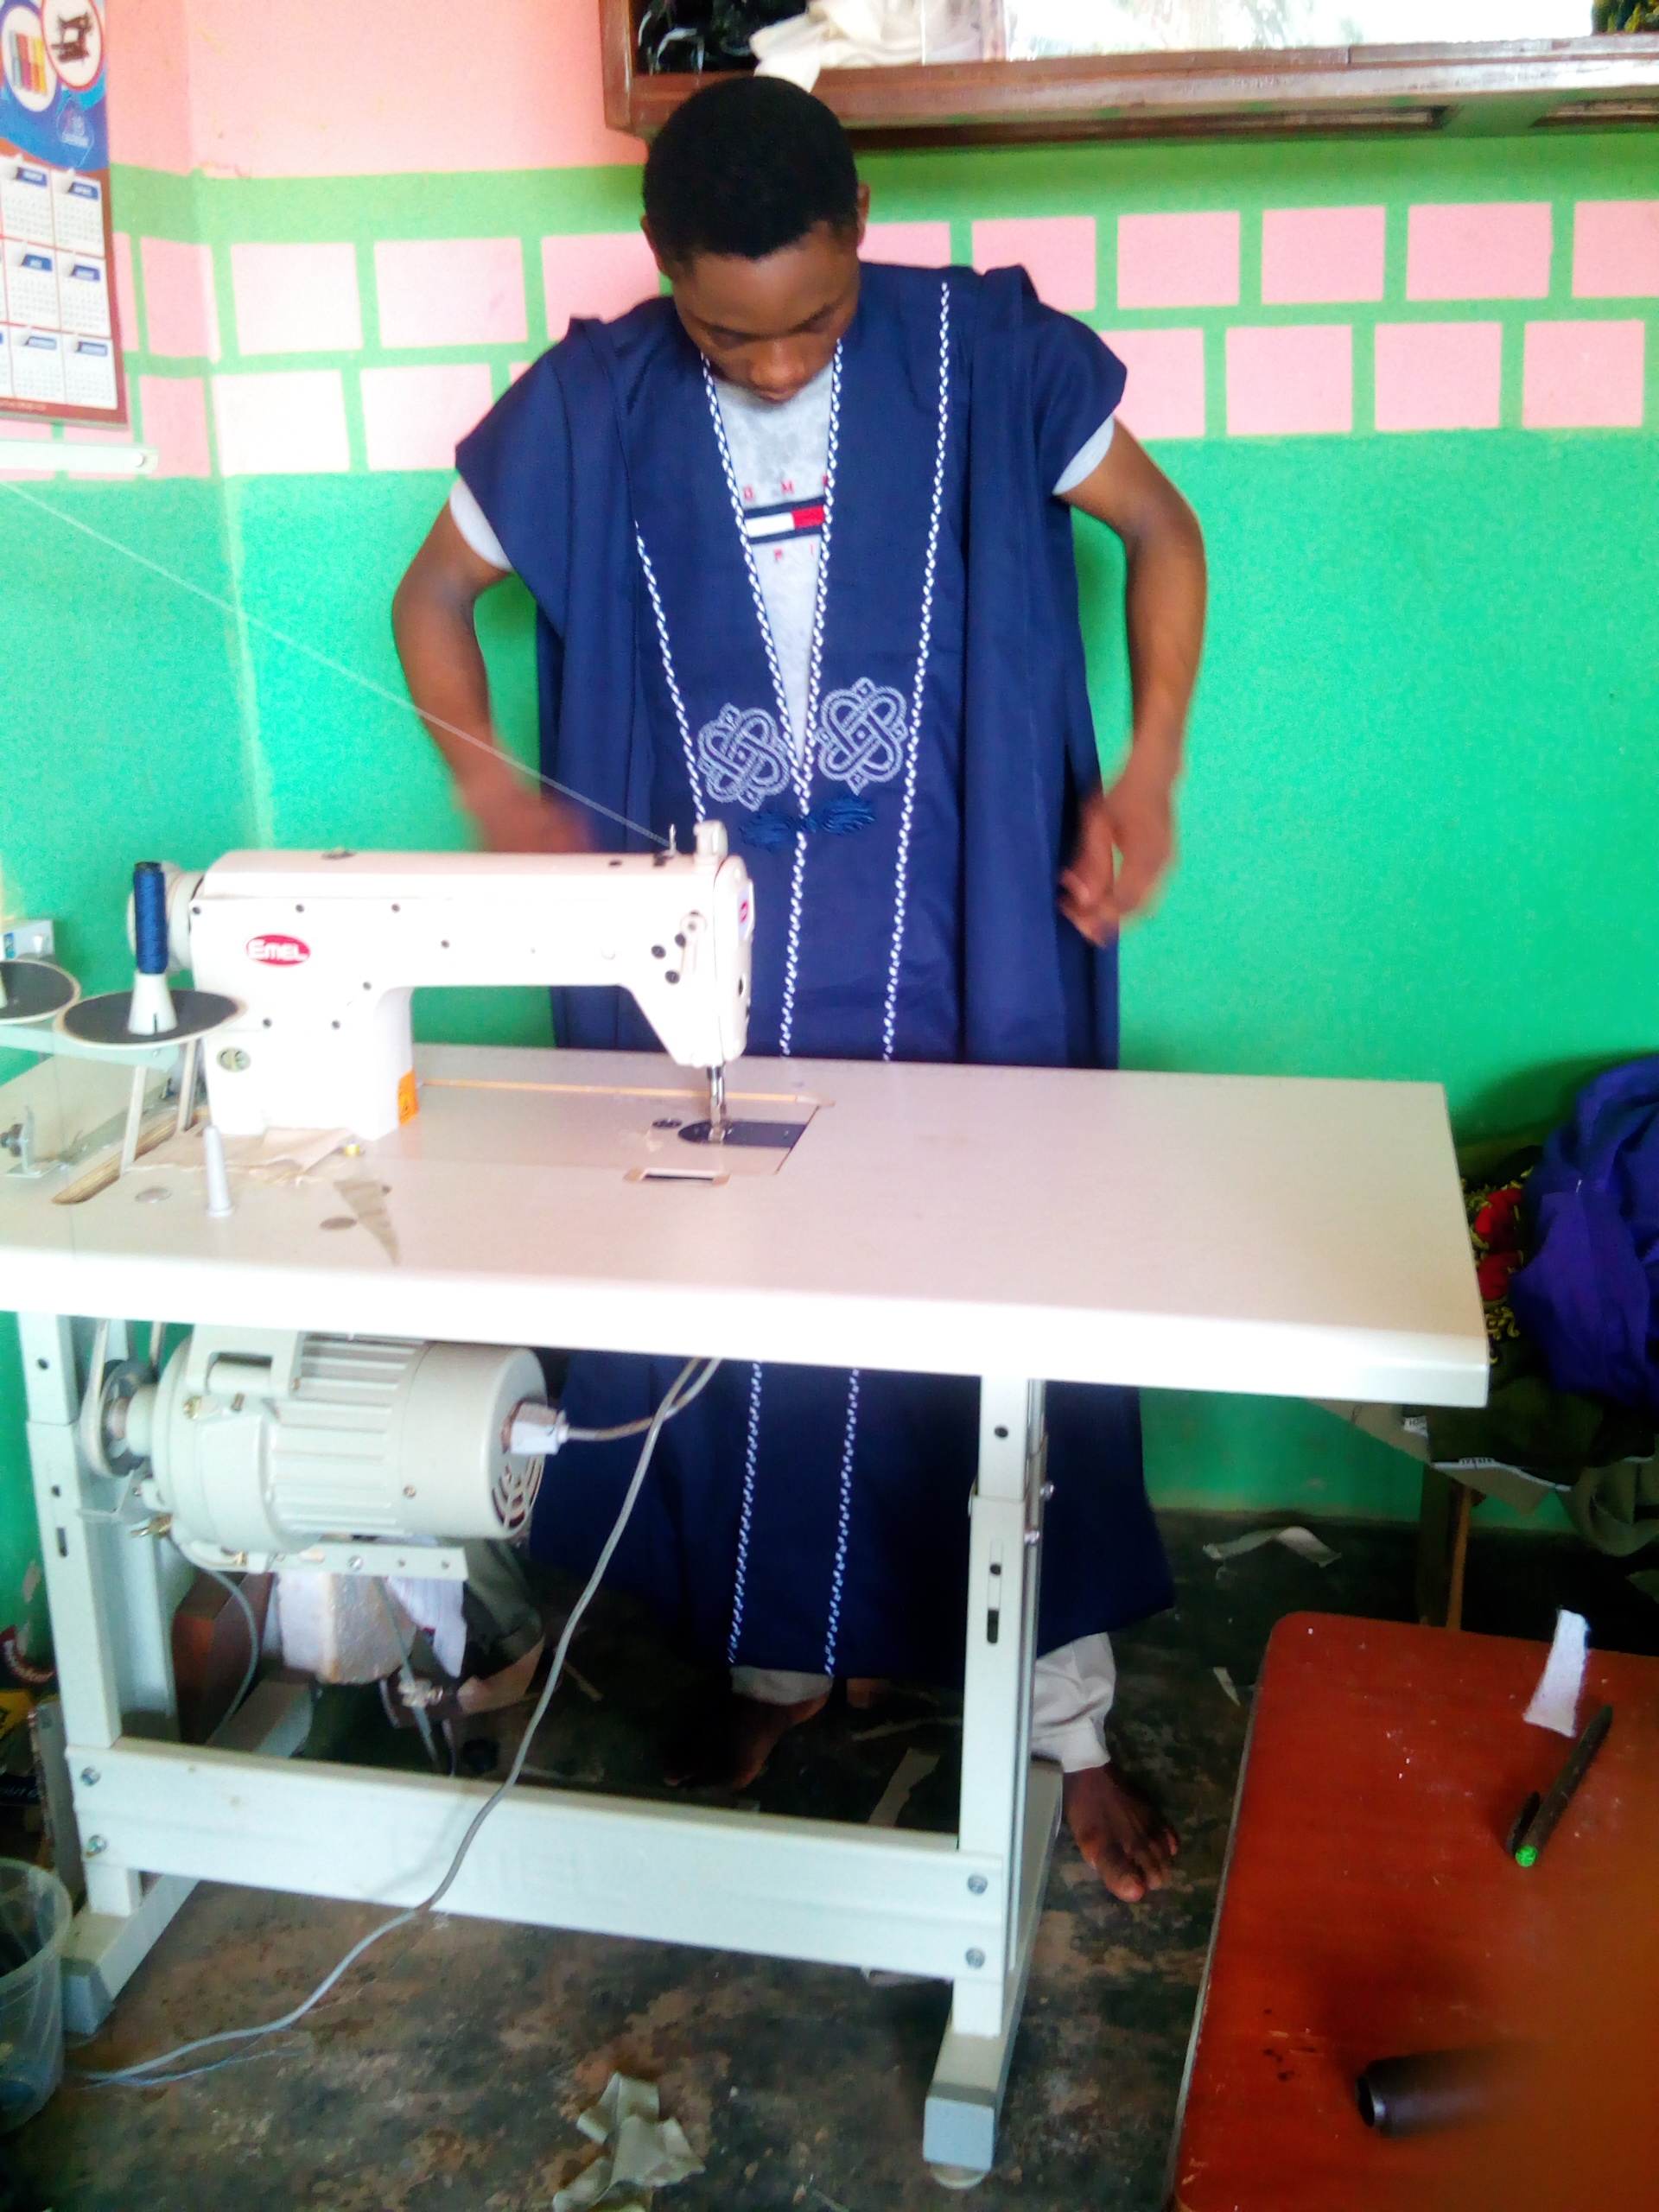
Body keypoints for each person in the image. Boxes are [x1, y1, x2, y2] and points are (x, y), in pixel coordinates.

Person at [392, 74, 1206, 1903]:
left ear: (861, 235)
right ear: (660, 275)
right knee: (727, 1291)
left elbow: (1163, 533)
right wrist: (499, 799)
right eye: (726, 336)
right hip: (716, 949)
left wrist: (1149, 767)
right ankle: (776, 1665)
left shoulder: (986, 355)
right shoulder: (593, 403)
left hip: (970, 927)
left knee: (1010, 1286)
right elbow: (430, 601)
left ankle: (1067, 1717)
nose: (771, 368)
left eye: (812, 323)